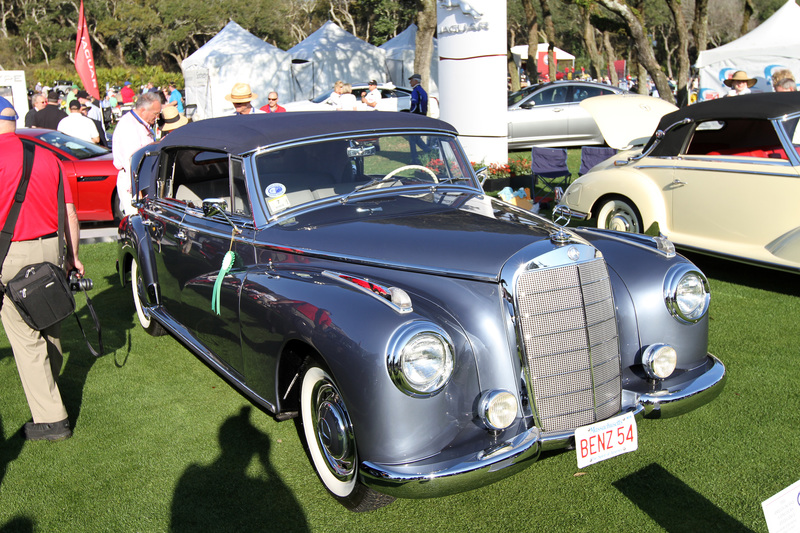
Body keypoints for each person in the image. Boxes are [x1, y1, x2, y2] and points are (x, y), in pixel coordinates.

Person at [0, 96, 84, 441]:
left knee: (26, 339)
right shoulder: (46, 155)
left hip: (10, 252)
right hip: (51, 247)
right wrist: (72, 258)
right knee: (48, 323)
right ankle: (50, 391)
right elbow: (71, 213)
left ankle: (51, 419)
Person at [112, 92, 162, 216]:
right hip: (134, 180)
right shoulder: (128, 126)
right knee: (137, 219)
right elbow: (131, 160)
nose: (157, 117)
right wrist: (137, 188)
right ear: (143, 110)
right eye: (155, 114)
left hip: (142, 179)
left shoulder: (139, 123)